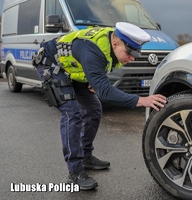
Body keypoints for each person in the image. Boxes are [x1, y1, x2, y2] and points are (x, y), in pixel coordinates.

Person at [32, 22, 167, 190]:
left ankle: (85, 157)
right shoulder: (92, 52)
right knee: (71, 113)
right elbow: (104, 92)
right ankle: (74, 172)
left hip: (72, 67)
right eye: (129, 53)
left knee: (94, 108)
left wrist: (92, 79)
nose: (132, 58)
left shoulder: (111, 41)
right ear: (116, 43)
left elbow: (99, 75)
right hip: (52, 65)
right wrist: (141, 100)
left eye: (135, 53)